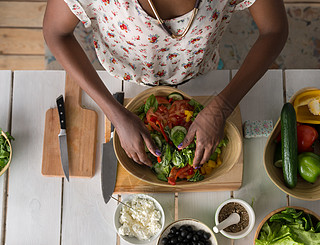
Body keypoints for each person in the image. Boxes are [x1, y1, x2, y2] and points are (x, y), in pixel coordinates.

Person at [43, 0, 288, 168]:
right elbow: (56, 33)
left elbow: (275, 30)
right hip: (120, 80)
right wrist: (114, 114)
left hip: (201, 73)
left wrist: (223, 105)